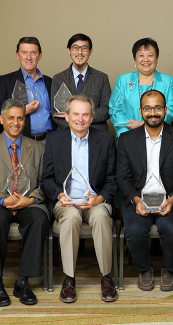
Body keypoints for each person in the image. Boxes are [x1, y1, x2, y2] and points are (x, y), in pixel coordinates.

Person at [0, 98, 50, 307]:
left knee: (40, 219)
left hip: (28, 202)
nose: (16, 123)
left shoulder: (38, 148)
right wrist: (3, 200)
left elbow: (46, 183)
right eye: (11, 118)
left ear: (25, 121)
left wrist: (30, 199)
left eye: (20, 118)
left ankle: (23, 281)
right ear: (1, 119)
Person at [41, 95, 118, 303]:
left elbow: (112, 180)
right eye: (75, 114)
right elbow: (46, 179)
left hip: (95, 201)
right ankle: (69, 278)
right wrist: (59, 195)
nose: (80, 119)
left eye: (85, 114)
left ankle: (106, 277)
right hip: (66, 201)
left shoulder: (106, 139)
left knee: (102, 217)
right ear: (66, 116)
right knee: (71, 217)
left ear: (92, 118)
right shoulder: (54, 140)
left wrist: (99, 198)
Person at [116, 90, 173, 291]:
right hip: (138, 199)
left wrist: (172, 200)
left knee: (169, 227)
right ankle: (144, 269)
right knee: (134, 229)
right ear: (141, 111)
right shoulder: (126, 140)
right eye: (148, 108)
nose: (153, 112)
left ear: (165, 110)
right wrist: (136, 200)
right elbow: (122, 179)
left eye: (158, 107)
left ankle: (169, 269)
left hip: (171, 198)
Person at [109, 38, 173, 139]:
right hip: (128, 137)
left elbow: (172, 109)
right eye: (141, 55)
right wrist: (126, 136)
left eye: (150, 55)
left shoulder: (169, 81)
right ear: (135, 59)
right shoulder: (123, 80)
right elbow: (115, 110)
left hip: (159, 137)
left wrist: (143, 125)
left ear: (157, 58)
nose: (145, 59)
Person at [0, 37, 54, 141]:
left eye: (33, 53)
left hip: (49, 143)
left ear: (40, 56)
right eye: (24, 52)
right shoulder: (5, 81)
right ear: (17, 55)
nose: (29, 57)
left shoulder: (50, 82)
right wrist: (23, 111)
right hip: (20, 142)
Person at [51, 34, 112, 132]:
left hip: (96, 133)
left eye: (84, 48)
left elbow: (106, 109)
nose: (80, 52)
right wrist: (75, 129)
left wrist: (83, 122)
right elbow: (56, 113)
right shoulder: (58, 79)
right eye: (75, 48)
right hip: (66, 134)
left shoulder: (101, 78)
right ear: (69, 50)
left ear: (90, 51)